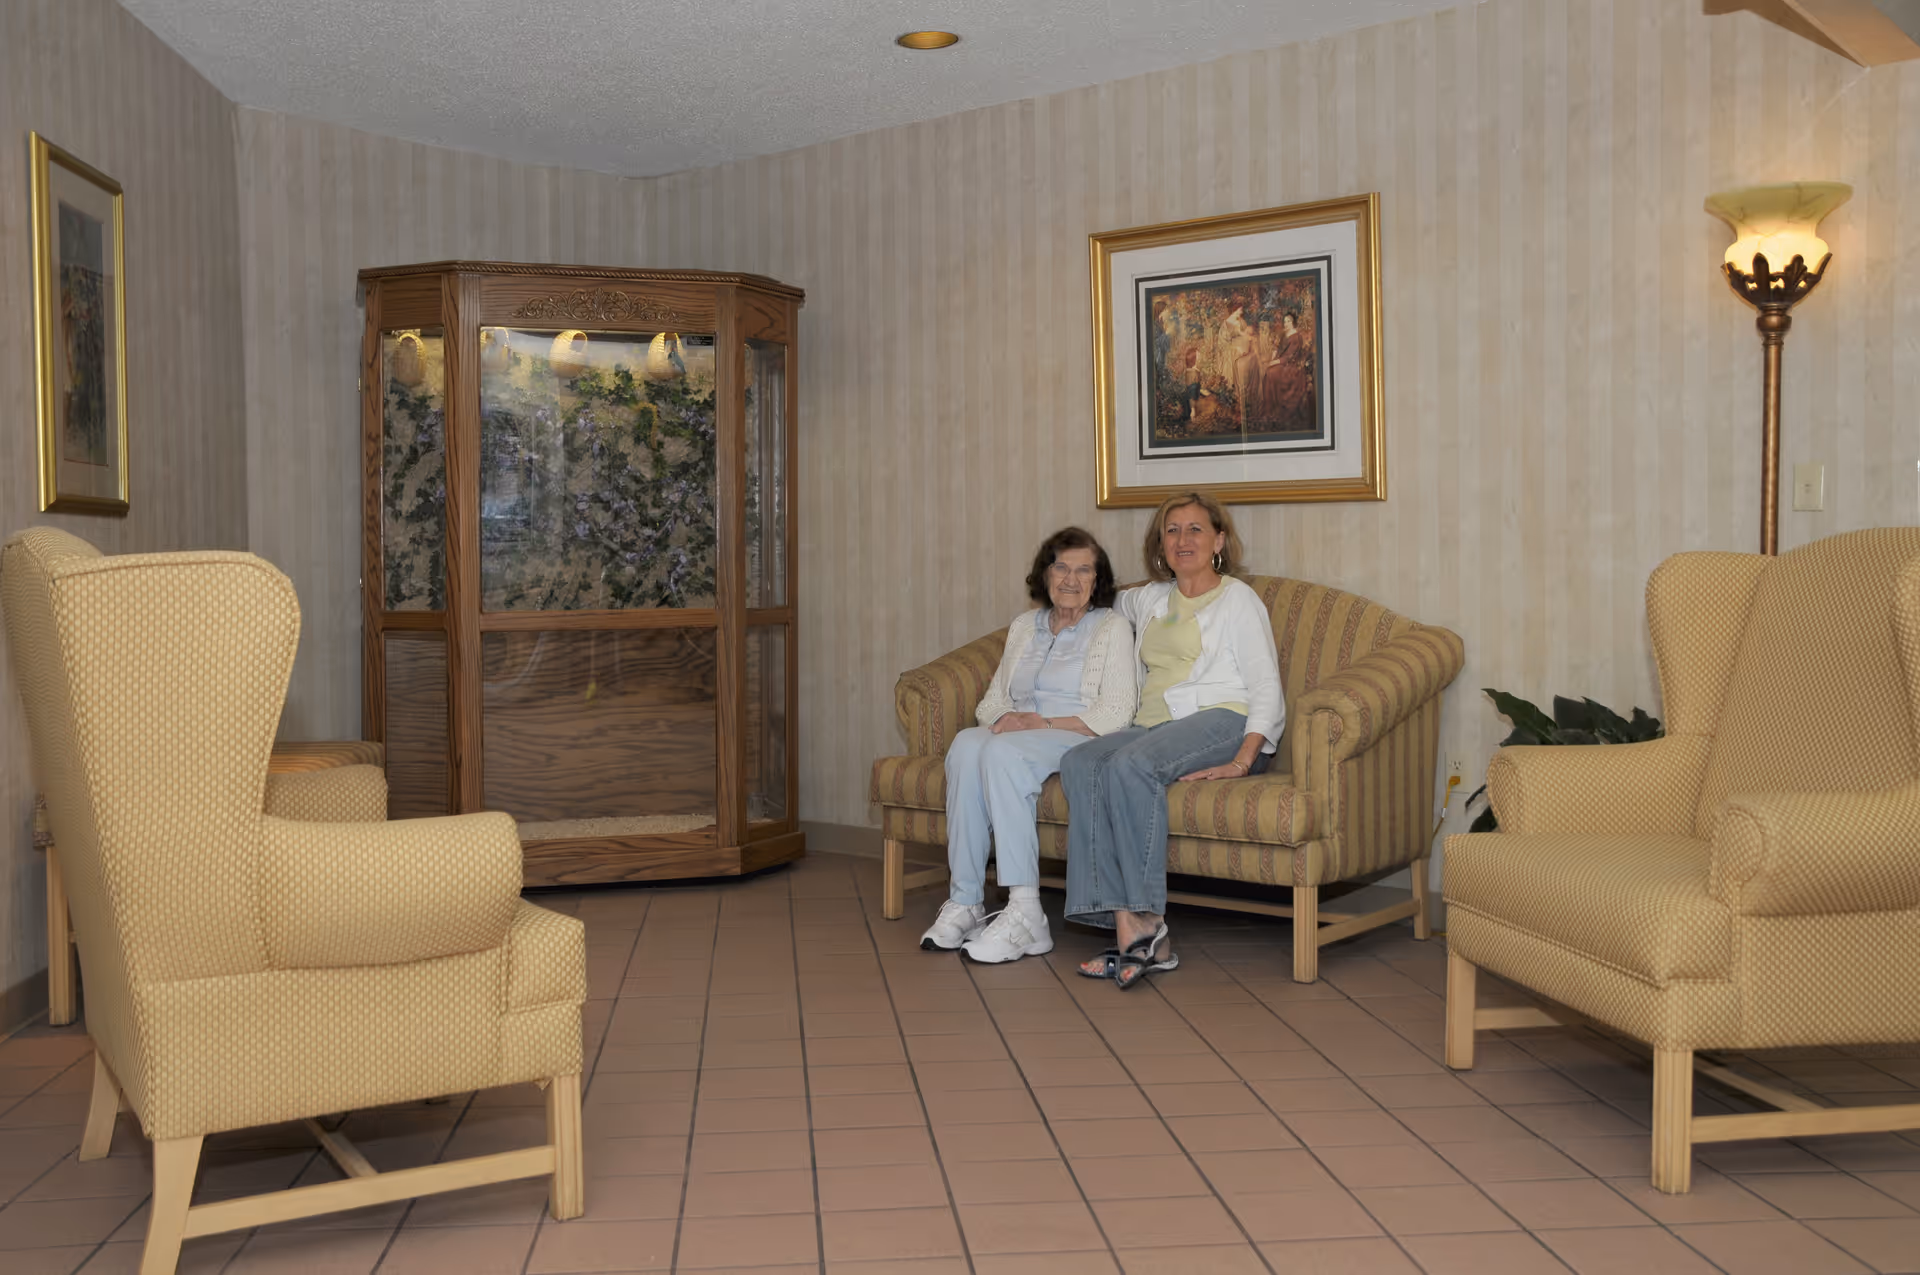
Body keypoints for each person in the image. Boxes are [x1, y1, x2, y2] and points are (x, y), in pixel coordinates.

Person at [1060, 491, 1283, 989]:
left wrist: (1245, 760)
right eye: (1172, 530)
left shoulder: (1238, 600)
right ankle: (1119, 921)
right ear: (1161, 544)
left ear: (1219, 540)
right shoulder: (1151, 598)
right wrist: (1057, 602)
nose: (1183, 540)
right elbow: (1094, 596)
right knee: (1080, 761)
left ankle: (1146, 925)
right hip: (1152, 726)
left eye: (1196, 529)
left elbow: (1266, 685)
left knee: (1129, 766)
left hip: (1223, 719)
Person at [923, 528, 1139, 962]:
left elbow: (1116, 711)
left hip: (1077, 733)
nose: (1071, 579)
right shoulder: (1026, 626)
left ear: (1098, 581)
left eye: (1084, 570)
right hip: (1024, 733)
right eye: (1061, 566)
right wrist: (1008, 721)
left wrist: (1038, 722)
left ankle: (1026, 913)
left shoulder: (1111, 627)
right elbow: (994, 701)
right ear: (1045, 573)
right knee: (966, 744)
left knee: (1001, 752)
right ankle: (966, 900)